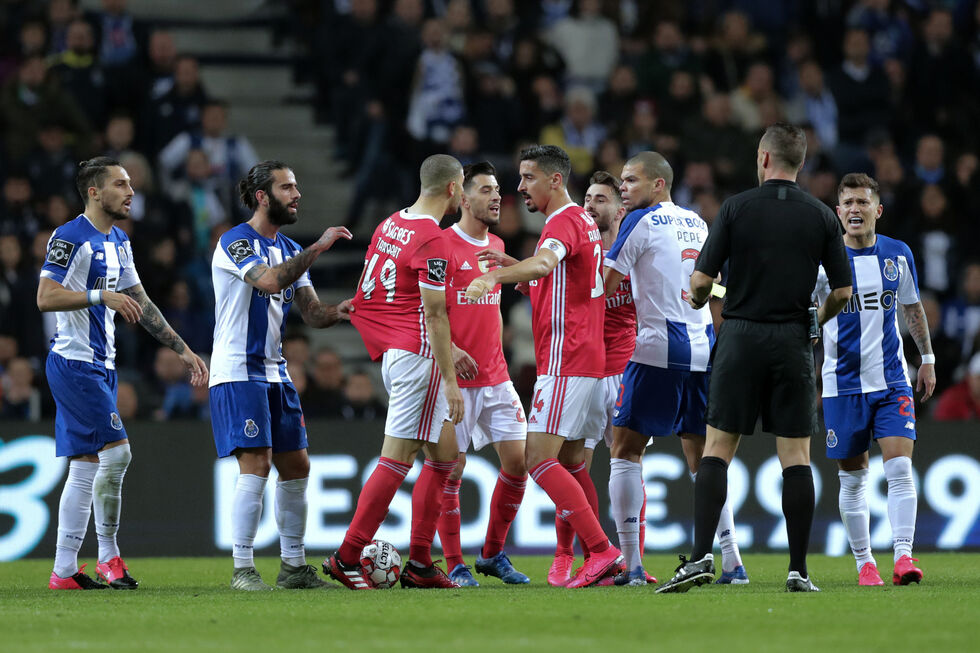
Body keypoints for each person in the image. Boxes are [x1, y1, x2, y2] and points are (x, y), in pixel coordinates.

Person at [656, 123, 852, 594]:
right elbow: (843, 292)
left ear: (764, 158)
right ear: (799, 163)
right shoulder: (822, 216)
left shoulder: (736, 208)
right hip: (792, 340)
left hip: (741, 336)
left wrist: (702, 299)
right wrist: (814, 320)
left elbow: (701, 282)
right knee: (796, 457)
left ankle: (702, 556)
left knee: (717, 450)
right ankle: (798, 571)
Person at [38, 157, 209, 590]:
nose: (130, 191)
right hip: (75, 363)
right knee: (118, 454)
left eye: (131, 183)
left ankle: (64, 571)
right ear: (94, 192)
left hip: (103, 365)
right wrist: (100, 297)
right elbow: (45, 296)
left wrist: (183, 349)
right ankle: (109, 557)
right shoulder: (69, 237)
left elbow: (142, 303)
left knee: (86, 465)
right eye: (120, 184)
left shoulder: (119, 241)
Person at [466, 145, 623, 588]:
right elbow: (561, 283)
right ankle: (599, 556)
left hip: (566, 360)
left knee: (537, 458)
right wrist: (515, 267)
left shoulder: (562, 222)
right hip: (589, 361)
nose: (520, 187)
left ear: (555, 180)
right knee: (573, 463)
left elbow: (547, 262)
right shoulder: (584, 224)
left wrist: (494, 276)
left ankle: (601, 552)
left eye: (528, 177)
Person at [601, 153, 748, 587]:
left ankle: (630, 566)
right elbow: (713, 285)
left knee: (625, 449)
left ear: (658, 184)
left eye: (631, 180)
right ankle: (733, 561)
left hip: (656, 349)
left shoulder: (639, 222)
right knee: (705, 459)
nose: (623, 188)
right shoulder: (698, 223)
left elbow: (605, 286)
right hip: (704, 348)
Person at [209, 160, 353, 591]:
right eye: (287, 187)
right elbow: (269, 282)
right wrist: (319, 247)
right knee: (257, 462)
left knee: (297, 464)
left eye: (297, 186)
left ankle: (293, 566)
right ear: (261, 196)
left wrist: (338, 312)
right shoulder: (234, 241)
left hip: (275, 372)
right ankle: (243, 568)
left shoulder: (290, 248)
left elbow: (310, 314)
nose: (297, 194)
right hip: (238, 371)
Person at [326, 154, 465, 590]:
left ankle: (421, 564)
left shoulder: (392, 223)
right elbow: (435, 313)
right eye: (462, 187)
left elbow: (373, 285)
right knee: (398, 457)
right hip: (420, 359)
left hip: (396, 352)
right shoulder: (433, 239)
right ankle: (347, 556)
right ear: (451, 189)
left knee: (445, 459)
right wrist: (450, 379)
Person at [813, 173, 935, 586]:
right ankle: (866, 563)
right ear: (837, 212)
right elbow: (804, 318)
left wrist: (928, 358)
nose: (854, 209)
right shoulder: (822, 261)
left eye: (862, 202)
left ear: (877, 210)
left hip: (891, 380)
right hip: (841, 385)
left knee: (900, 469)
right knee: (853, 477)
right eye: (847, 202)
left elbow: (912, 310)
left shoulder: (897, 254)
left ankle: (903, 557)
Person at [554, 170, 654, 586]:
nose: (590, 205)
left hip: (627, 369)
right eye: (587, 198)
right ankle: (565, 555)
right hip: (585, 368)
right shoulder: (579, 249)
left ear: (620, 207)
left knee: (631, 463)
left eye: (599, 199)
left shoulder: (638, 253)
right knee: (571, 462)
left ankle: (633, 562)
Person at [434, 161, 530, 588]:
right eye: (487, 190)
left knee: (519, 463)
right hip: (454, 382)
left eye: (498, 191)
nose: (497, 197)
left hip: (496, 376)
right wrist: (450, 349)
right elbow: (422, 312)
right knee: (451, 471)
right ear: (463, 196)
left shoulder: (495, 244)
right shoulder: (440, 245)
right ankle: (454, 564)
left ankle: (492, 553)